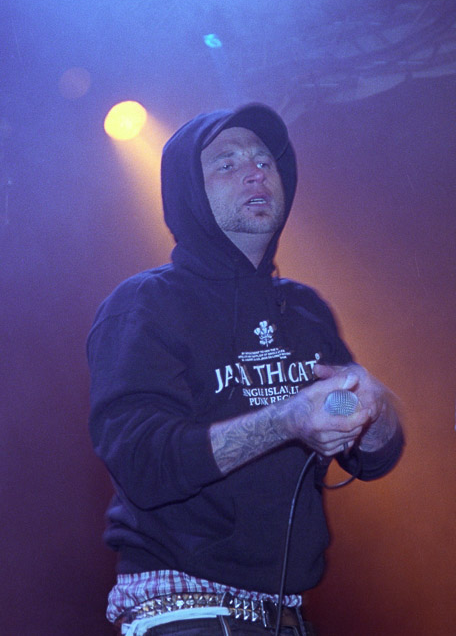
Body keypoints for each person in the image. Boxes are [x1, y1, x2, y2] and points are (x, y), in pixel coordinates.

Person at [87, 103, 404, 636]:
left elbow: (375, 459)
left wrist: (375, 410)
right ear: (189, 190)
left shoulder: (305, 309)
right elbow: (142, 462)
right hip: (182, 607)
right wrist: (287, 420)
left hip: (286, 615)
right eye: (227, 163)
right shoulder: (144, 304)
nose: (255, 172)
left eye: (264, 160)